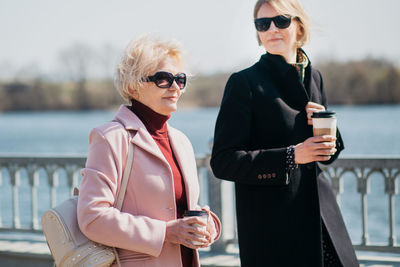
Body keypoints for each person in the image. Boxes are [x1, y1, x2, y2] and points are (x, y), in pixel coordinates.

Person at [210, 0, 358, 266]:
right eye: (262, 23)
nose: (272, 29)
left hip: (324, 222)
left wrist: (329, 134)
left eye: (281, 21)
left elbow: (326, 157)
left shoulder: (315, 78)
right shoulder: (244, 83)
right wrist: (291, 156)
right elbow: (223, 161)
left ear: (299, 26)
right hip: (274, 232)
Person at [77, 35, 221, 267]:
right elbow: (92, 217)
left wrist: (207, 227)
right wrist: (164, 232)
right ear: (133, 85)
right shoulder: (111, 138)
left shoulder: (181, 141)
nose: (175, 87)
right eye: (163, 79)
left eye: (180, 79)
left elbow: (181, 209)